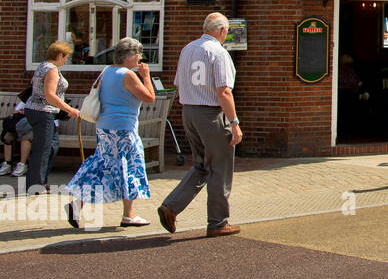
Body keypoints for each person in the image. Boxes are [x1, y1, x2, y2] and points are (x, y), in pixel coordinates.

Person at [158, 12, 243, 237]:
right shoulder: (219, 53)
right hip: (211, 114)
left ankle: (171, 206)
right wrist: (234, 122)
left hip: (189, 111)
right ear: (222, 31)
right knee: (220, 167)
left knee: (202, 165)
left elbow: (178, 82)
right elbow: (224, 91)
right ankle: (218, 222)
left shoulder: (188, 49)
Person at [65, 37, 156, 229]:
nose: (140, 58)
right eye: (138, 54)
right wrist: (146, 77)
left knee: (102, 166)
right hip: (124, 129)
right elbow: (149, 98)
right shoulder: (128, 75)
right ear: (129, 55)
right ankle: (128, 215)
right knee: (129, 167)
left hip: (105, 127)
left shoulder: (107, 71)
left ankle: (76, 205)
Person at [25, 40, 80, 191]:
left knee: (51, 146)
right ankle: (35, 185)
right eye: (66, 56)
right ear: (59, 55)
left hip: (38, 110)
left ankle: (40, 181)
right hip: (43, 111)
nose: (66, 60)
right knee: (43, 148)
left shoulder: (42, 66)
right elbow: (50, 95)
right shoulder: (51, 70)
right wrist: (69, 109)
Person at [0, 96, 33, 178]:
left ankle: (23, 164)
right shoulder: (28, 98)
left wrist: (27, 113)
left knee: (26, 137)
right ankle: (8, 163)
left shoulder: (45, 99)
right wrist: (20, 112)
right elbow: (15, 112)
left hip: (34, 126)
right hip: (21, 124)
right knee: (8, 136)